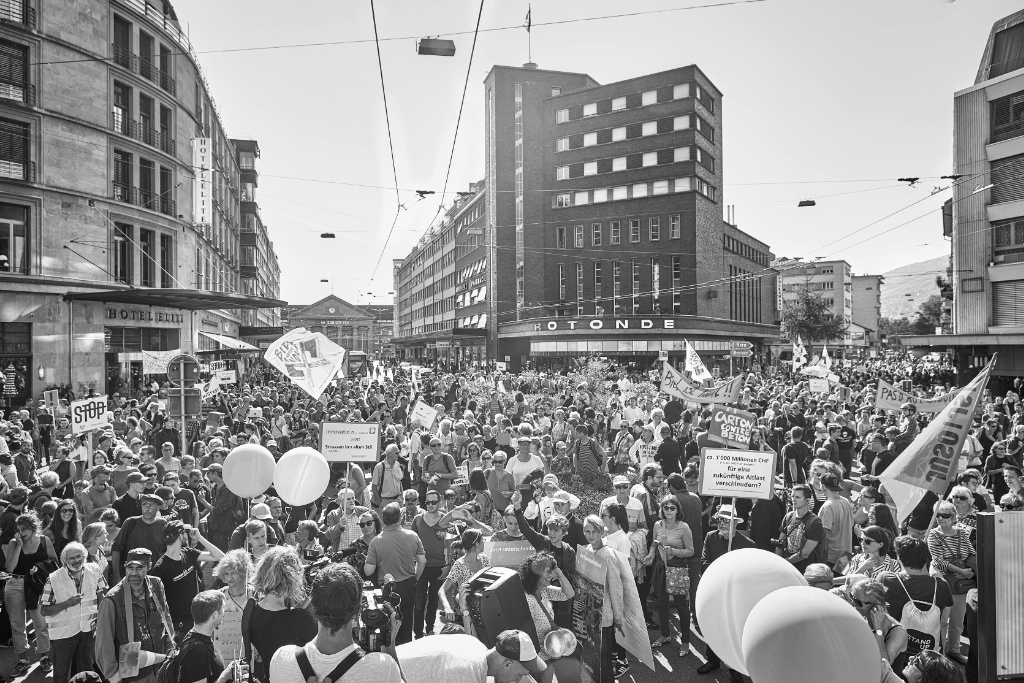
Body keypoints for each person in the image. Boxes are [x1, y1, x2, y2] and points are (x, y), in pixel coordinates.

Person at [267, 563, 402, 683]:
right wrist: (389, 646)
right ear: (358, 611)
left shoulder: (281, 660)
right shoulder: (384, 669)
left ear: (312, 606)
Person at [95, 548, 175, 683]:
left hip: (159, 668)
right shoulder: (112, 600)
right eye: (129, 567)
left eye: (139, 568)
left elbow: (165, 617)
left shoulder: (156, 584)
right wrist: (112, 675)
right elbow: (104, 642)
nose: (133, 573)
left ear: (149, 567)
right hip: (132, 676)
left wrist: (171, 646)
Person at [243, 546, 318, 683]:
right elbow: (321, 655)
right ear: (292, 578)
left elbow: (280, 623)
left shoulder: (251, 611)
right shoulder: (300, 619)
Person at [879, 536, 954, 672]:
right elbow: (944, 623)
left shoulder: (886, 579)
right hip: (929, 658)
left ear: (899, 558)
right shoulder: (942, 586)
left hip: (895, 656)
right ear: (926, 559)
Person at [697, 504, 755, 678]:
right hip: (714, 591)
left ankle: (734, 668)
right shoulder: (710, 537)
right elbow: (703, 562)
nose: (721, 524)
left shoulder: (748, 544)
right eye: (719, 520)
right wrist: (723, 568)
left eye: (726, 520)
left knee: (733, 630)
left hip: (736, 596)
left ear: (735, 523)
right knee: (712, 627)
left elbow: (750, 572)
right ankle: (713, 661)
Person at [40, 542, 106, 683]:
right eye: (71, 558)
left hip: (88, 630)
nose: (76, 560)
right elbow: (44, 610)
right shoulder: (53, 578)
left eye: (79, 556)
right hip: (63, 635)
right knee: (61, 674)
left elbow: (102, 599)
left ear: (85, 556)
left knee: (86, 672)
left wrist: (103, 623)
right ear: (64, 560)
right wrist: (67, 604)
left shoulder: (94, 570)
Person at [150, 520, 225, 643]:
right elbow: (156, 603)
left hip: (197, 619)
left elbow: (220, 556)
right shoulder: (160, 568)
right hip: (178, 627)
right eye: (185, 532)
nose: (187, 535)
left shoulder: (188, 553)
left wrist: (200, 538)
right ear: (180, 536)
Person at [363, 502, 426, 646]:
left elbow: (368, 571)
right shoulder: (413, 536)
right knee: (407, 621)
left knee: (387, 625)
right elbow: (422, 561)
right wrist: (414, 578)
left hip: (386, 590)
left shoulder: (375, 541)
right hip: (409, 584)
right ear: (401, 517)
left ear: (383, 518)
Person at [5, 511, 58, 674]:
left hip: (37, 585)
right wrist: (19, 546)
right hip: (16, 582)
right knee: (17, 623)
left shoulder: (44, 540)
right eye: (18, 529)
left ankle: (44, 656)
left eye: (24, 529)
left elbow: (54, 562)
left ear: (33, 528)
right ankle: (23, 658)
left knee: (41, 623)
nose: (21, 532)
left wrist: (40, 567)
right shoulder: (14, 542)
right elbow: (10, 568)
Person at [395, 629, 546, 683]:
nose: (518, 680)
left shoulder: (473, 644)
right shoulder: (468, 673)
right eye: (520, 675)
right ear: (507, 664)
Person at [644, 494, 694, 657]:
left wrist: (673, 551)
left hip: (677, 569)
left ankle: (685, 641)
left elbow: (691, 551)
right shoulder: (658, 525)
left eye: (672, 508)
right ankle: (665, 635)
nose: (669, 511)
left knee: (682, 606)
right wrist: (651, 555)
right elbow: (654, 544)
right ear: (662, 509)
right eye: (666, 507)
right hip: (660, 568)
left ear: (677, 509)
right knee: (662, 603)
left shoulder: (684, 527)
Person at [927, 501, 975, 664]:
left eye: (945, 515)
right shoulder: (933, 534)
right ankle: (939, 653)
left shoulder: (962, 533)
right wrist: (963, 571)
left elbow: (971, 553)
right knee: (941, 620)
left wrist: (972, 570)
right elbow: (938, 561)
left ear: (954, 517)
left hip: (961, 584)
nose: (940, 518)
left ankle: (953, 651)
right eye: (937, 515)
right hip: (944, 581)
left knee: (958, 620)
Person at [517, 553, 577, 683]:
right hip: (536, 658)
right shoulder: (528, 599)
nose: (551, 575)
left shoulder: (544, 590)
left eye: (552, 572)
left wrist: (559, 573)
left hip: (546, 654)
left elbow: (569, 594)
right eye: (548, 572)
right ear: (536, 574)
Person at [582, 514, 626, 683]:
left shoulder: (608, 555)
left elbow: (616, 588)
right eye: (587, 531)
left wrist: (617, 617)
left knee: (604, 659)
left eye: (594, 531)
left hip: (605, 617)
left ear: (602, 532)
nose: (590, 535)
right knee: (592, 657)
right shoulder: (586, 550)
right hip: (589, 614)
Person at [177, 591, 248, 683]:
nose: (224, 613)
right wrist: (226, 676)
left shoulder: (197, 637)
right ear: (215, 615)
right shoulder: (198, 651)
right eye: (222, 610)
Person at [847, 576, 908, 665]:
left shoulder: (898, 632)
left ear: (876, 605)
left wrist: (878, 629)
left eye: (857, 602)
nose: (852, 603)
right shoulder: (860, 618)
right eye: (851, 597)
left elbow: (884, 665)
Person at [439, 528, 490, 631]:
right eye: (482, 540)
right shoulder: (459, 565)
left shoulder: (484, 559)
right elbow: (442, 590)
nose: (484, 542)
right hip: (467, 611)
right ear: (476, 544)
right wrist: (447, 607)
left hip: (484, 608)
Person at [111, 493, 167, 583]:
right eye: (144, 504)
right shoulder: (130, 523)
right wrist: (116, 575)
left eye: (151, 505)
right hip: (133, 576)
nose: (147, 509)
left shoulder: (163, 524)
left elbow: (167, 551)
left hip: (156, 577)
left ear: (158, 508)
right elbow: (116, 549)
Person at [777, 484, 827, 573]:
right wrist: (778, 561)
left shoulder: (815, 522)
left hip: (805, 571)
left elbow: (805, 553)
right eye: (792, 496)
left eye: (797, 497)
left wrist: (785, 562)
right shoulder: (788, 517)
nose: (793, 500)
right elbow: (780, 542)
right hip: (786, 568)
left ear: (807, 500)